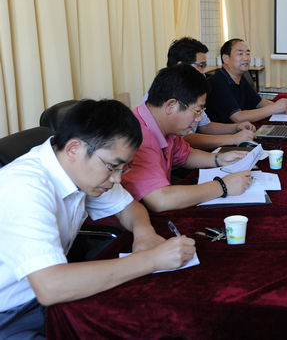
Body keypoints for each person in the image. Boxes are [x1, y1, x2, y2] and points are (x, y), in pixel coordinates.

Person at [0, 99, 195, 339]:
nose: (117, 179)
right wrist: (151, 260)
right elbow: (50, 286)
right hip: (11, 313)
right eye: (113, 166)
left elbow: (129, 207)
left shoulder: (78, 169)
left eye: (123, 168)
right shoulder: (23, 189)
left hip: (46, 296)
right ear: (74, 149)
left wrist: (144, 234)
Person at [122, 65, 253, 212]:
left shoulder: (166, 125)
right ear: (171, 105)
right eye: (197, 111)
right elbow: (160, 200)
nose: (199, 118)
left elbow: (185, 155)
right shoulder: (138, 136)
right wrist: (222, 186)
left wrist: (219, 159)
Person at [143, 37, 256, 150]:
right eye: (201, 65)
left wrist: (236, 128)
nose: (205, 71)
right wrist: (232, 139)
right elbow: (186, 139)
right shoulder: (165, 93)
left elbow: (205, 126)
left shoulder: (192, 91)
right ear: (181, 66)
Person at [205, 38, 287, 123]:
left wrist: (282, 107)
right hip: (224, 132)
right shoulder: (217, 83)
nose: (246, 58)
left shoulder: (240, 77)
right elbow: (238, 117)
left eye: (248, 54)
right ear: (226, 59)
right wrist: (274, 108)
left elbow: (258, 102)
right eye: (240, 54)